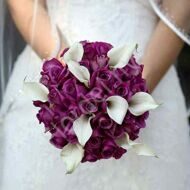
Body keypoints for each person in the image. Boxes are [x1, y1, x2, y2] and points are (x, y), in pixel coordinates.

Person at [0, 0, 190, 189]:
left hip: (152, 72)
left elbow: (181, 8)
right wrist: (66, 77)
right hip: (52, 74)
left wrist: (135, 92)